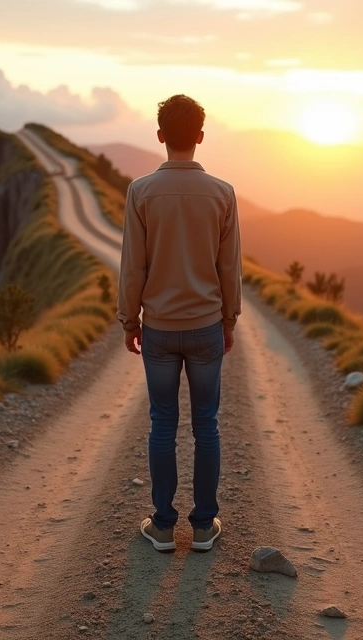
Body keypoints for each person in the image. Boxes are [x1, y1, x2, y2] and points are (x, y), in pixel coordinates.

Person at [117, 94, 242, 553]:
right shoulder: (223, 193)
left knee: (163, 423)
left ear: (160, 136)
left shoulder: (141, 192)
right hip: (207, 325)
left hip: (160, 329)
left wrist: (129, 320)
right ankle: (204, 526)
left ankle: (164, 526)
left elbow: (133, 266)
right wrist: (229, 319)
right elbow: (229, 266)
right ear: (200, 137)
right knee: (206, 424)